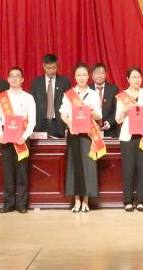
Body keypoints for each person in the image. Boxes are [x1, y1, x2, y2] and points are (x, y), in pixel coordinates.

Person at [59, 63, 104, 212]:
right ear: (74, 77)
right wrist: (70, 124)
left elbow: (99, 116)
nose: (82, 77)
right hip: (74, 134)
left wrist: (92, 113)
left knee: (88, 167)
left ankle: (86, 201)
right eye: (78, 75)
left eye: (84, 75)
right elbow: (63, 114)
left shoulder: (93, 94)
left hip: (89, 135)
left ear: (88, 76)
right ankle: (77, 200)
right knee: (75, 166)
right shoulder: (69, 94)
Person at [0, 66, 36, 213]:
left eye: (17, 76)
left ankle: (22, 204)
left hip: (22, 139)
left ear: (22, 79)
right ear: (8, 79)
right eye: (12, 75)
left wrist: (25, 136)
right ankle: (8, 203)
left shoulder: (28, 98)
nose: (14, 78)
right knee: (8, 172)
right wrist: (0, 134)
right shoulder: (1, 97)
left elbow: (32, 120)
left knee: (22, 172)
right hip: (6, 139)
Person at [116, 67, 143, 212]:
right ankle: (127, 201)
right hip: (127, 137)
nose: (136, 79)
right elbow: (118, 119)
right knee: (128, 170)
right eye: (133, 77)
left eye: (139, 77)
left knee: (142, 169)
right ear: (128, 79)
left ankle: (140, 201)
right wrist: (124, 111)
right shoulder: (122, 96)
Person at [30, 54, 71, 137]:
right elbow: (31, 105)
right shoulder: (36, 83)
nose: (51, 71)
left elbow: (69, 105)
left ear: (57, 65)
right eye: (48, 68)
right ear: (43, 66)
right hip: (40, 125)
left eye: (54, 68)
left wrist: (67, 126)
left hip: (59, 124)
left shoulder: (65, 82)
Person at [91, 63, 121, 138]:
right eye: (96, 73)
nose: (99, 76)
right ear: (92, 75)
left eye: (101, 73)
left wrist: (109, 123)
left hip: (111, 130)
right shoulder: (88, 89)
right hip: (91, 131)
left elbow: (117, 110)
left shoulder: (114, 89)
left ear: (106, 75)